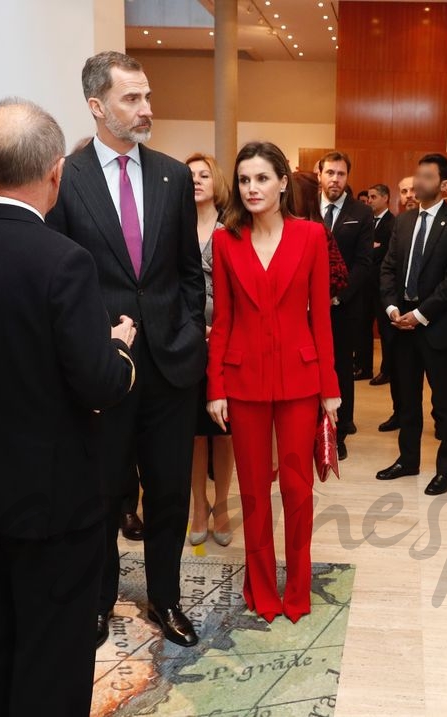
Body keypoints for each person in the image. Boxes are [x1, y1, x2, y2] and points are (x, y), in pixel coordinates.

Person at [0, 98, 137, 717]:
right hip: (55, 497)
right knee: (53, 652)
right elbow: (99, 385)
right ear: (57, 172)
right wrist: (118, 348)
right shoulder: (63, 261)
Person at [46, 51, 205, 649]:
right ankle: (99, 599)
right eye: (131, 99)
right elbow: (57, 277)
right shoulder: (67, 177)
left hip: (170, 365)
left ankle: (166, 597)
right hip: (101, 367)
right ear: (97, 106)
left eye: (147, 96)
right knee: (103, 493)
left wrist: (188, 331)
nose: (146, 109)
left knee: (169, 492)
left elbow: (189, 272)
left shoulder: (170, 174)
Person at [207, 141, 340, 623]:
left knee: (299, 490)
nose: (252, 188)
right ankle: (260, 586)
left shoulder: (310, 236)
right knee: (255, 492)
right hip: (242, 383)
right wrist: (215, 386)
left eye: (262, 178)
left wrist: (331, 388)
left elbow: (322, 319)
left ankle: (298, 588)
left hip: (301, 380)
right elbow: (222, 319)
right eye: (244, 180)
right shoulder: (225, 240)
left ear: (283, 182)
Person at [377, 153, 447, 496]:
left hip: (438, 328)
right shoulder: (403, 222)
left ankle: (445, 471)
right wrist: (391, 308)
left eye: (427, 177)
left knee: (446, 404)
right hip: (400, 326)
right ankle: (408, 460)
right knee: (407, 399)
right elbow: (388, 268)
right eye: (417, 175)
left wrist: (419, 315)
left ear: (444, 185)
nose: (418, 183)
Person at [185, 152, 234, 547]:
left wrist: (221, 328)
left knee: (223, 429)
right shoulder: (174, 227)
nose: (197, 180)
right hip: (185, 342)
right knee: (194, 432)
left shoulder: (232, 228)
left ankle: (221, 504)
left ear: (216, 181)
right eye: (190, 176)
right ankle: (197, 505)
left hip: (228, 340)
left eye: (204, 174)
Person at [318, 151, 372, 460]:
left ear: (347, 177)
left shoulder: (360, 213)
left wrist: (337, 296)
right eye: (330, 173)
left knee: (339, 369)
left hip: (343, 307)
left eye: (341, 174)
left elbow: (365, 265)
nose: (335, 179)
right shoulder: (305, 208)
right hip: (306, 309)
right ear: (320, 174)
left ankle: (339, 435)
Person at [361, 183, 396, 387]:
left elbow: (383, 254)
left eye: (374, 197)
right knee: (363, 326)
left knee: (385, 331)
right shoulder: (368, 221)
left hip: (382, 286)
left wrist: (370, 250)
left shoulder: (392, 224)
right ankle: (364, 367)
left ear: (385, 198)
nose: (370, 200)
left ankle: (387, 370)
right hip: (366, 285)